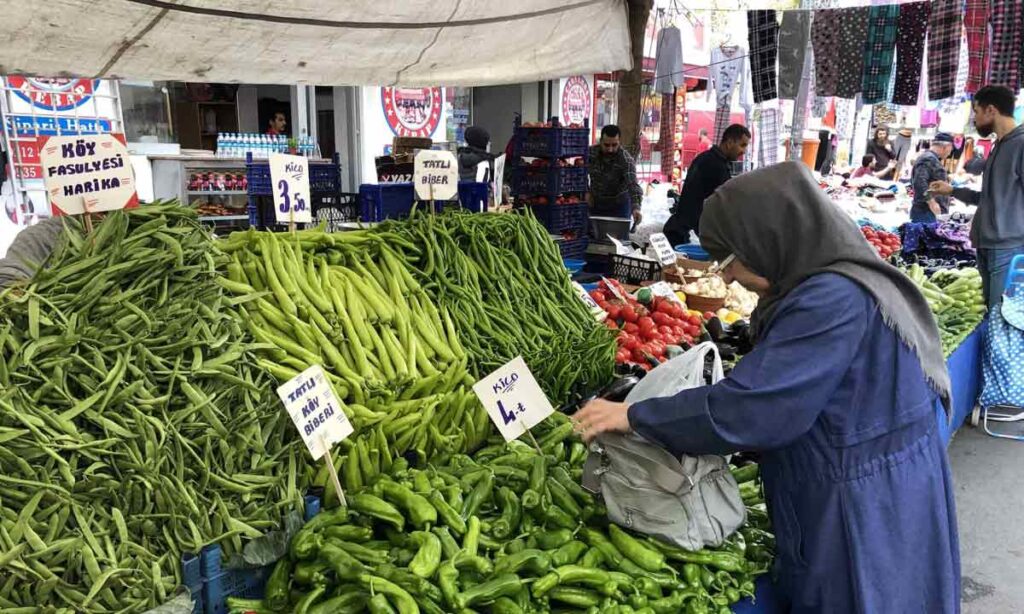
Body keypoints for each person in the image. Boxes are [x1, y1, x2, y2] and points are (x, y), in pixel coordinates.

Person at [572, 161, 960, 614]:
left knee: (864, 597)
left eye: (730, 259)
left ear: (768, 238)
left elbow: (756, 409)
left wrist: (635, 416)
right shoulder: (837, 275)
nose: (729, 276)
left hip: (860, 500)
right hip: (873, 475)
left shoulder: (831, 297)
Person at [930, 85, 1024, 307]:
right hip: (987, 245)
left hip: (1008, 248)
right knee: (992, 313)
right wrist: (952, 191)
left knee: (1001, 317)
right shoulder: (999, 146)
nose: (974, 118)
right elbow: (990, 198)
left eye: (976, 111)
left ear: (991, 110)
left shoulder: (1020, 144)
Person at [662, 124, 750, 246]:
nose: (744, 151)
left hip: (681, 229)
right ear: (729, 143)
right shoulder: (716, 165)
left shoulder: (705, 158)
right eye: (742, 145)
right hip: (686, 234)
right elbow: (725, 205)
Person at [588, 125, 644, 224]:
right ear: (600, 141)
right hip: (595, 204)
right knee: (594, 237)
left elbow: (633, 185)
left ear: (619, 142)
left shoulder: (626, 160)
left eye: (614, 145)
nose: (610, 149)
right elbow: (578, 174)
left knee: (619, 238)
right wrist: (586, 192)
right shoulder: (590, 153)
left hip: (619, 207)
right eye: (606, 145)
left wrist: (636, 208)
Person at [910, 133, 954, 223]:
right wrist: (932, 203)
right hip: (926, 212)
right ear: (946, 147)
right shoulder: (928, 159)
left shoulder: (930, 158)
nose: (950, 152)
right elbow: (919, 182)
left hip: (929, 211)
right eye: (951, 149)